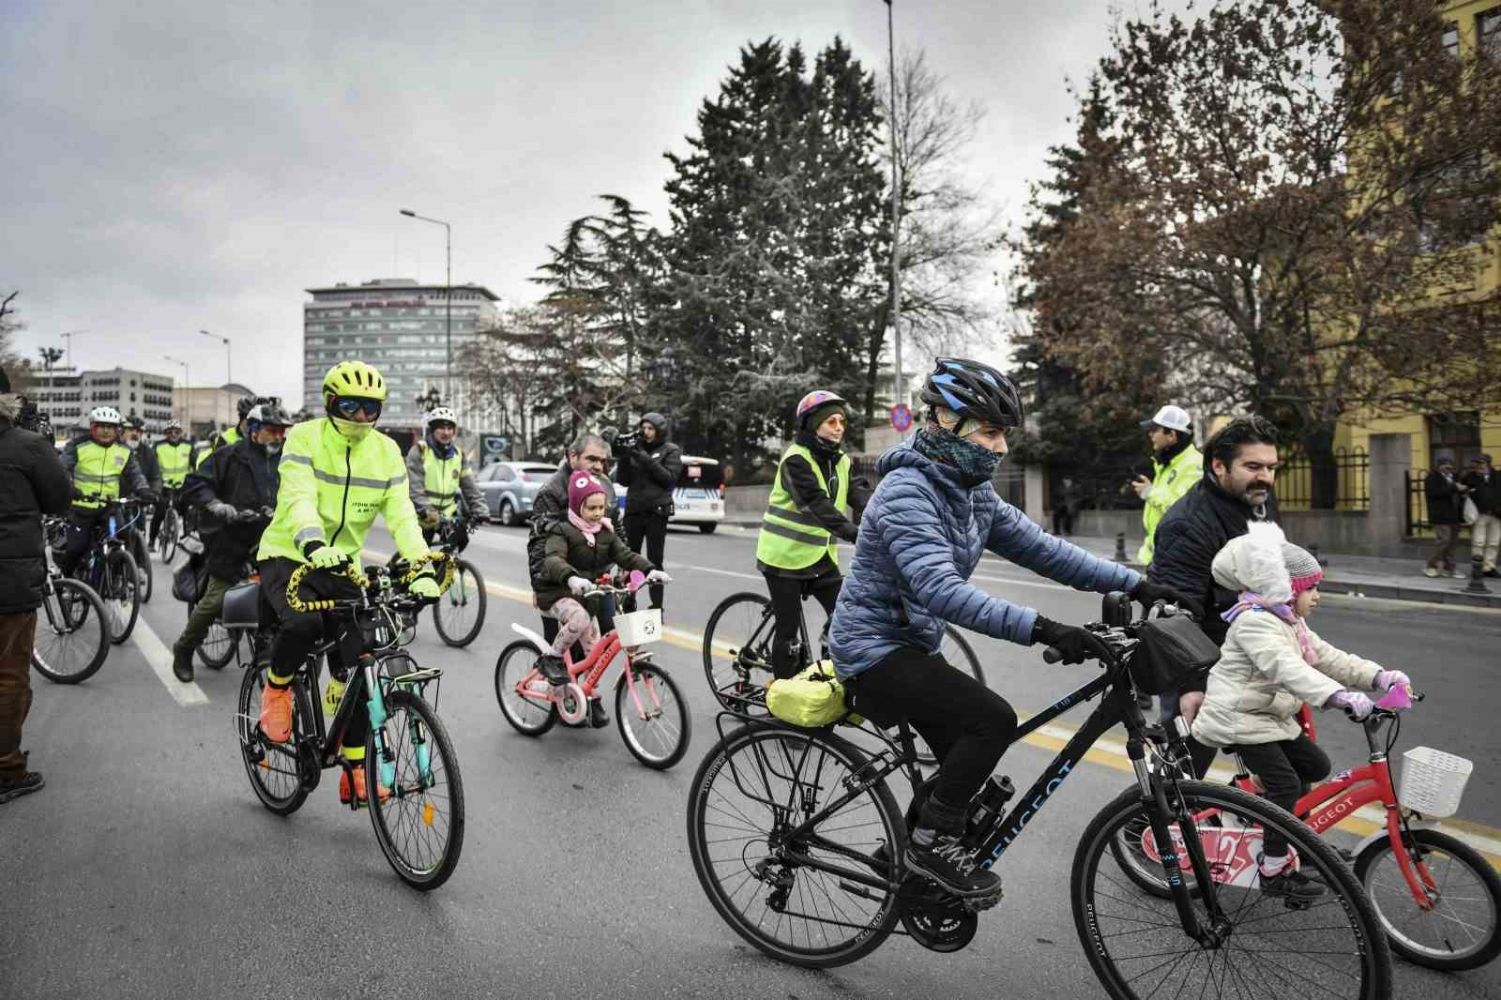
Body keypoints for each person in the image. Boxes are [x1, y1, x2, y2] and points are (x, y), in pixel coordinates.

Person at [829, 357, 1196, 899]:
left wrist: (1135, 584)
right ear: (945, 422)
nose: (1002, 448)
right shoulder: (906, 492)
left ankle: (901, 857)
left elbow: (1043, 549)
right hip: (872, 650)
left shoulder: (972, 491)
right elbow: (941, 591)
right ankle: (927, 848)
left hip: (912, 643)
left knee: (963, 760)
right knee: (992, 720)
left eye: (1004, 435)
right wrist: (1047, 629)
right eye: (993, 432)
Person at [1191, 522, 1411, 901]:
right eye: (1310, 588)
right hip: (1239, 719)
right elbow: (1286, 669)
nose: (1317, 596)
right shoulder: (1254, 623)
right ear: (1283, 589)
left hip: (1266, 717)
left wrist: (1378, 676)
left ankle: (1254, 809)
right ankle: (1274, 867)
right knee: (1286, 784)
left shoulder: (1291, 621)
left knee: (1314, 767)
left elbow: (1328, 658)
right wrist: (1338, 697)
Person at [255, 362, 440, 805]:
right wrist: (312, 541)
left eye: (369, 408)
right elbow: (297, 496)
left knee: (363, 660)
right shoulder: (304, 437)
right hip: (289, 551)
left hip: (343, 566)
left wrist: (423, 565)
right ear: (330, 403)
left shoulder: (387, 452)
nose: (359, 417)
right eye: (349, 406)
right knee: (300, 626)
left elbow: (401, 515)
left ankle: (355, 768)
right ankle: (277, 688)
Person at [1147, 415, 1281, 776]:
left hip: (1249, 650)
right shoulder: (1189, 524)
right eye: (1253, 466)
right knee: (1182, 775)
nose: (1266, 477)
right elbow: (1177, 617)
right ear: (1218, 465)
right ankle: (1140, 829)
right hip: (1197, 657)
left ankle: (1261, 824)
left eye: (1271, 467)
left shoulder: (1257, 499)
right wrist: (1194, 685)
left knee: (1288, 768)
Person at [533, 472, 668, 727]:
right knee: (579, 618)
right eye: (591, 508)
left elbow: (626, 555)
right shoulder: (562, 531)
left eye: (601, 507)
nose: (597, 513)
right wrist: (571, 578)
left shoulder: (605, 533)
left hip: (587, 596)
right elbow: (552, 560)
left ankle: (588, 697)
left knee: (594, 648)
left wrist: (650, 570)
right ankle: (551, 658)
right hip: (556, 592)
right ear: (576, 506)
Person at [169, 402, 291, 682]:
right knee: (215, 600)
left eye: (282, 432)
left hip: (271, 538)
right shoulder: (229, 456)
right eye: (273, 430)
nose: (278, 437)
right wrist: (216, 505)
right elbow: (195, 483)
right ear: (254, 430)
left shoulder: (288, 460)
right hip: (231, 538)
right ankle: (184, 648)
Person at [756, 390, 871, 679]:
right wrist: (853, 532)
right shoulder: (796, 461)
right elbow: (815, 504)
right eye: (831, 421)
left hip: (819, 559)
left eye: (841, 421)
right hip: (783, 559)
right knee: (789, 635)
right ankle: (781, 703)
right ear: (812, 425)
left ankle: (827, 651)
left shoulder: (841, 460)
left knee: (848, 612)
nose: (839, 427)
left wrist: (887, 519)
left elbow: (859, 495)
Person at [0, 368, 73, 805]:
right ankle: (7, 769)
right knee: (8, 677)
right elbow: (59, 499)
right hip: (8, 583)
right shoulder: (26, 446)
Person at [530, 433, 618, 646]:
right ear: (572, 456)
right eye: (592, 459)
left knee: (607, 638)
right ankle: (549, 674)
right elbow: (539, 546)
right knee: (558, 649)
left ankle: (586, 679)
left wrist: (627, 568)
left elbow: (617, 530)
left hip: (598, 578)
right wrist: (539, 588)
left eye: (603, 461)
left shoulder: (604, 484)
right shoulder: (552, 491)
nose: (599, 466)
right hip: (561, 583)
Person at [56, 406, 152, 578]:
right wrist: (70, 489)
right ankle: (68, 580)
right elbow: (61, 470)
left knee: (123, 537)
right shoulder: (77, 446)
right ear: (92, 427)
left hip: (110, 508)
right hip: (81, 508)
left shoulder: (124, 450)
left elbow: (135, 474)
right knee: (76, 548)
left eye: (111, 427)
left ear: (117, 430)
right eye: (101, 426)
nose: (106, 431)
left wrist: (143, 489)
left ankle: (119, 578)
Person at [614, 411, 682, 612]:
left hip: (656, 513)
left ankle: (656, 606)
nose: (646, 432)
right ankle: (628, 603)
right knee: (629, 559)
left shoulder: (670, 450)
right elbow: (623, 480)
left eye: (650, 428)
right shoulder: (637, 449)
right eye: (643, 428)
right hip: (634, 511)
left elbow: (668, 478)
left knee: (654, 561)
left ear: (659, 430)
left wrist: (643, 457)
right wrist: (625, 456)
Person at [1133, 404, 1202, 566]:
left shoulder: (1194, 465)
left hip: (1175, 561)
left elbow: (1183, 509)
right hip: (1157, 557)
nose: (1151, 435)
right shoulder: (1168, 463)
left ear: (1171, 435)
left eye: (1155, 430)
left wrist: (1150, 493)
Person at [405, 406, 488, 539]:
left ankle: (445, 560)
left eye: (450, 428)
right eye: (441, 428)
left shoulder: (459, 455)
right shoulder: (420, 451)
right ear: (433, 430)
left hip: (446, 516)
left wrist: (480, 509)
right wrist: (429, 512)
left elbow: (470, 487)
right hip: (421, 516)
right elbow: (414, 490)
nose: (446, 432)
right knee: (418, 555)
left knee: (459, 541)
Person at [1423, 456, 1468, 579]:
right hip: (1440, 515)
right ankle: (1431, 566)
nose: (1448, 468)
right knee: (1443, 540)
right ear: (1438, 466)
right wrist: (1454, 487)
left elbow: (1455, 493)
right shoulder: (1432, 478)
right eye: (1445, 465)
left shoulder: (1453, 478)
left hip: (1454, 515)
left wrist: (1462, 491)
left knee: (1452, 543)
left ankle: (1450, 568)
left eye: (1450, 466)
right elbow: (1434, 493)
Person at [150, 419, 193, 545]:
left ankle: (186, 537)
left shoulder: (188, 446)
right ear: (166, 433)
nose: (173, 434)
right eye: (170, 432)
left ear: (181, 433)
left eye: (177, 432)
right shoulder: (158, 446)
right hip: (164, 485)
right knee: (159, 513)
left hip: (182, 486)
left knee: (187, 511)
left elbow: (196, 464)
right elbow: (153, 466)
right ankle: (152, 541)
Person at [1462, 454, 1499, 578]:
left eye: (1481, 463)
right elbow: (1463, 487)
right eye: (1477, 463)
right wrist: (1475, 476)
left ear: (1488, 464)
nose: (1479, 466)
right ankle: (1477, 567)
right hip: (1479, 514)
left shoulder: (1497, 476)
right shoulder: (1471, 477)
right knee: (1478, 542)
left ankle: (1489, 567)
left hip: (1496, 515)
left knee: (1493, 542)